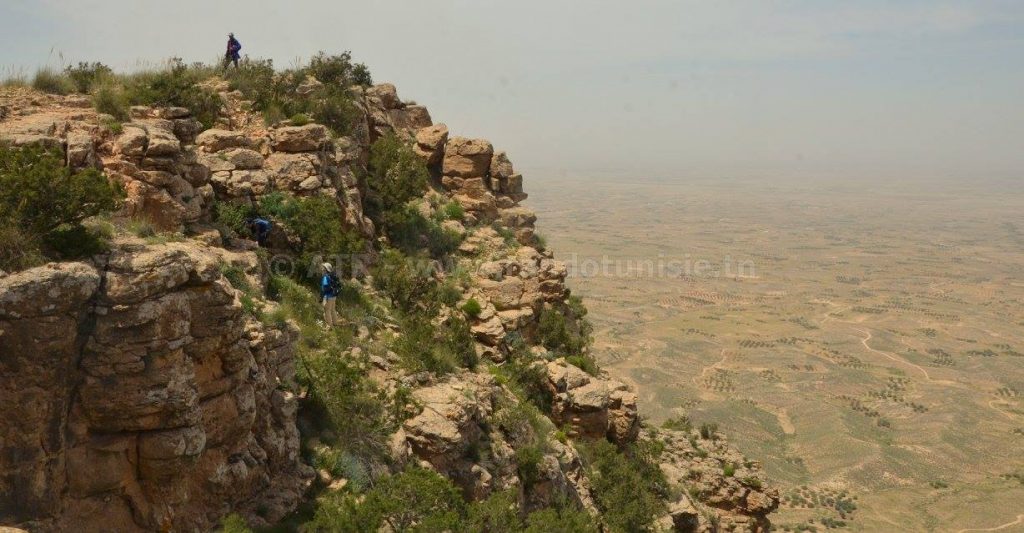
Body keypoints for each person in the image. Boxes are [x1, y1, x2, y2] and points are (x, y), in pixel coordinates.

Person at [320, 262, 340, 328]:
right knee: (333, 309)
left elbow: (325, 287)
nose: (322, 269)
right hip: (334, 295)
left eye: (323, 268)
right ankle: (335, 323)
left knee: (327, 310)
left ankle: (330, 326)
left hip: (328, 296)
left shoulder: (325, 277)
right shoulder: (332, 275)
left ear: (326, 269)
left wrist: (323, 296)